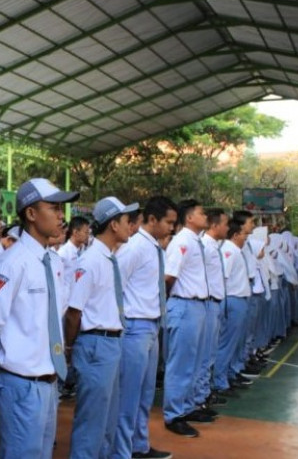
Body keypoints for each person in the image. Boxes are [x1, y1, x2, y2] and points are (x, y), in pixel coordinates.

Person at [0, 178, 78, 459]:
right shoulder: (12, 262)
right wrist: (11, 357)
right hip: (20, 381)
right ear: (31, 214)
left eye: (61, 208)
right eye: (53, 207)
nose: (60, 215)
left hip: (48, 379)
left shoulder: (53, 262)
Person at [64, 197, 135, 459]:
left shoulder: (108, 258)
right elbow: (74, 311)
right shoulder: (91, 260)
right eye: (127, 221)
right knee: (92, 420)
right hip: (95, 343)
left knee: (107, 418)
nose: (131, 226)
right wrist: (70, 347)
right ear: (114, 225)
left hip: (110, 342)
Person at [112, 196, 177, 459]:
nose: (172, 228)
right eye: (169, 222)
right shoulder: (135, 247)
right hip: (135, 327)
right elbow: (116, 287)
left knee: (144, 394)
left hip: (151, 326)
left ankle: (139, 445)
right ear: (152, 220)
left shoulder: (154, 248)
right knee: (129, 395)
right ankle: (122, 451)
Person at [163, 199, 210, 437]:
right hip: (185, 304)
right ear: (189, 217)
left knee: (193, 361)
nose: (205, 216)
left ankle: (188, 406)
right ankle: (174, 414)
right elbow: (168, 277)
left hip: (197, 306)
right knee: (180, 363)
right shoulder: (181, 241)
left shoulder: (195, 241)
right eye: (202, 212)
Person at [212, 220, 252, 398]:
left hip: (239, 299)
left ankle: (228, 374)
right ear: (235, 235)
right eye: (244, 234)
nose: (246, 238)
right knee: (226, 343)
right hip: (232, 300)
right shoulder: (229, 250)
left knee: (234, 343)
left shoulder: (236, 250)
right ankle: (219, 381)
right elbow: (223, 276)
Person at [197, 208, 229, 410]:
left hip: (215, 302)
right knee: (203, 355)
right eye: (225, 223)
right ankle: (200, 397)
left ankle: (204, 393)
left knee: (209, 354)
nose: (227, 227)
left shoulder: (213, 246)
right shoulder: (205, 247)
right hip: (207, 303)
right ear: (215, 225)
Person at [58, 216, 90, 291]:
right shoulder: (63, 253)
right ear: (75, 232)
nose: (88, 236)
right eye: (86, 232)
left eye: (88, 233)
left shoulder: (84, 251)